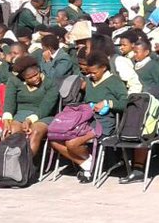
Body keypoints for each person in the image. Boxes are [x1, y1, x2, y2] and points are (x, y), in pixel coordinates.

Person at [50, 52, 126, 183]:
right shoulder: (89, 81)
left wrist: (108, 103)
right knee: (55, 140)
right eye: (89, 73)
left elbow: (125, 102)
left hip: (103, 123)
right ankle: (88, 163)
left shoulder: (115, 81)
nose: (92, 75)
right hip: (85, 120)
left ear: (103, 68)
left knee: (72, 143)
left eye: (94, 72)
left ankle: (88, 166)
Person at [1, 55, 59, 158]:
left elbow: (46, 107)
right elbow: (9, 102)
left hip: (43, 116)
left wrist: (29, 120)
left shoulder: (50, 83)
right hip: (21, 114)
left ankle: (26, 165)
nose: (35, 78)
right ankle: (10, 165)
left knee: (35, 131)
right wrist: (6, 120)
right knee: (10, 131)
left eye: (36, 74)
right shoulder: (14, 81)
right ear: (23, 77)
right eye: (30, 78)